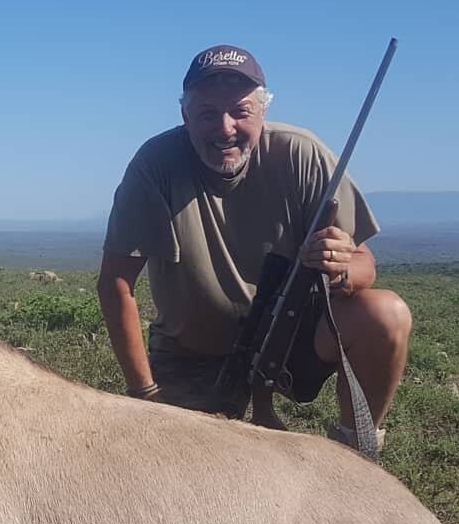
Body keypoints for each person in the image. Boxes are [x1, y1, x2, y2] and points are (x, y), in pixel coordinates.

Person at [97, 43, 411, 445]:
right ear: (185, 116)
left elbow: (364, 261)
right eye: (208, 114)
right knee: (175, 469)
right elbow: (116, 283)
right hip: (191, 354)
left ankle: (358, 446)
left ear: (263, 111)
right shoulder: (155, 164)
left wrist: (343, 268)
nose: (224, 128)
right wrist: (145, 394)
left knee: (387, 313)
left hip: (291, 338)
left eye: (240, 112)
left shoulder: (303, 153)